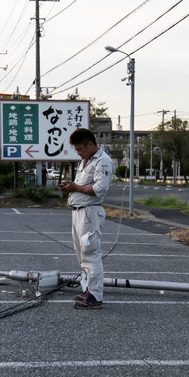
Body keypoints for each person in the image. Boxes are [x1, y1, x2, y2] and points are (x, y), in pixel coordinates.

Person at [58, 128, 113, 309]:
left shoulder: (103, 161)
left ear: (90, 144)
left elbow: (99, 189)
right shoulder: (86, 161)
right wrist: (70, 187)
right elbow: (82, 186)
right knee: (82, 254)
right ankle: (88, 290)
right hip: (78, 211)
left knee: (90, 254)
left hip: (90, 213)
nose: (79, 153)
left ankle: (95, 296)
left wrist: (75, 187)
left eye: (80, 149)